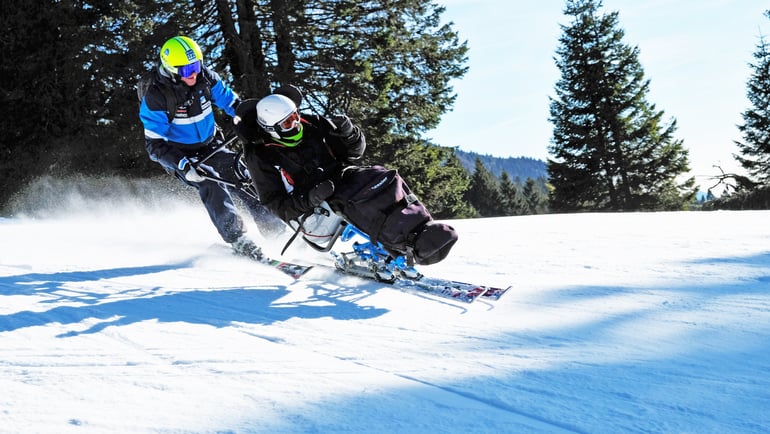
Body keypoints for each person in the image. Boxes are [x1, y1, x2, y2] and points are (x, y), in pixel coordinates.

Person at [233, 85, 458, 266]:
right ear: (271, 128)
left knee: (383, 176)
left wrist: (350, 135)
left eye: (295, 116)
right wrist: (309, 198)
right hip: (311, 209)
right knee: (358, 201)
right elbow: (275, 204)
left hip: (342, 179)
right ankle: (403, 244)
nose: (297, 124)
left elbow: (352, 154)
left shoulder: (309, 123)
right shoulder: (260, 155)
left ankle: (421, 230)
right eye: (288, 123)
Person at [138, 35, 284, 260]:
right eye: (187, 70)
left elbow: (231, 102)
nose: (194, 74)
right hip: (183, 156)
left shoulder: (206, 78)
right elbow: (154, 145)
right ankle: (238, 238)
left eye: (196, 65)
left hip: (211, 145)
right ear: (171, 69)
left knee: (243, 175)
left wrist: (251, 120)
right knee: (210, 182)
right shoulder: (157, 97)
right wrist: (183, 166)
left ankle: (276, 230)